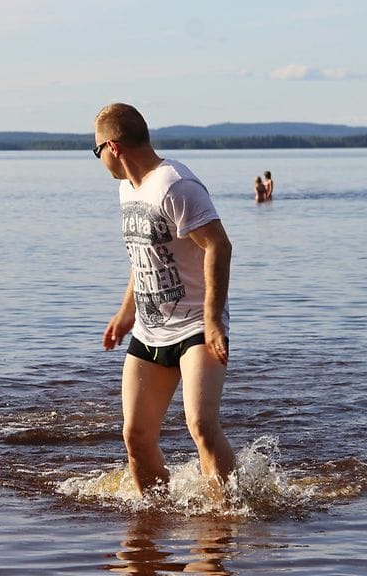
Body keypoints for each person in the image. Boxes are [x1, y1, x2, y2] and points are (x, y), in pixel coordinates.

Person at [93, 103, 236, 496]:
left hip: (196, 327)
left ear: (113, 147)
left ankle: (228, 513)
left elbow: (218, 246)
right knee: (136, 436)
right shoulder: (127, 189)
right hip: (150, 329)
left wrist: (213, 320)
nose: (99, 159)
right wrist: (126, 311)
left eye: (96, 150)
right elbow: (145, 254)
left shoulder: (176, 185)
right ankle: (154, 518)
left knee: (201, 426)